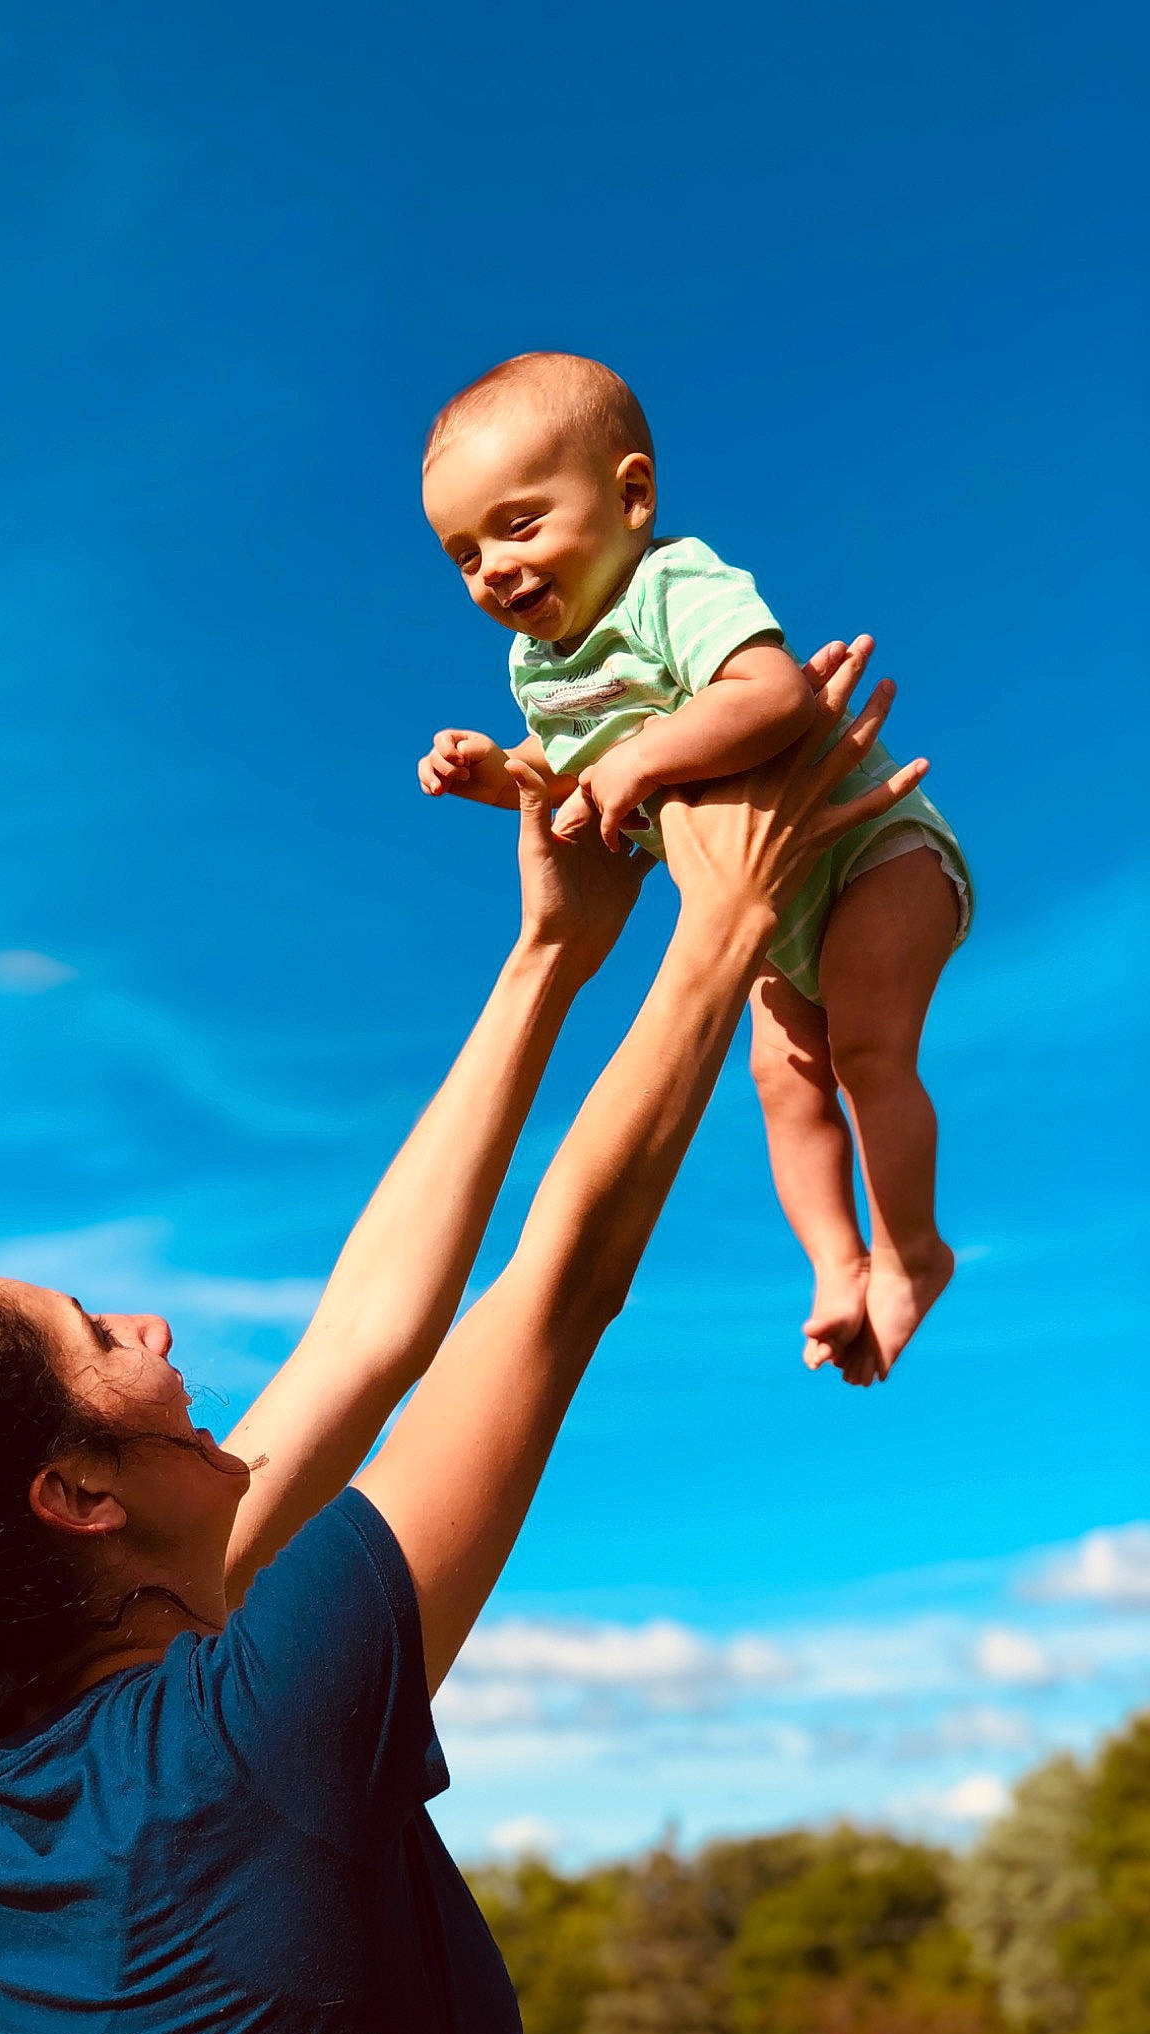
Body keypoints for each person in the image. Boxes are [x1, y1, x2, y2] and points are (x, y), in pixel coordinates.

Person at [0, 646, 921, 2034]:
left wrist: (552, 956)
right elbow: (557, 1286)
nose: (150, 1324)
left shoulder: (24, 1757)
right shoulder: (247, 1745)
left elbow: (367, 1335)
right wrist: (727, 915)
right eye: (97, 1336)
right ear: (76, 1495)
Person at [417, 353, 973, 1387]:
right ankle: (836, 1260)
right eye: (463, 554)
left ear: (632, 496)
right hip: (763, 907)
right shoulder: (539, 668)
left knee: (864, 1047)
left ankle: (912, 1251)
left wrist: (643, 759)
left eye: (519, 525)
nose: (492, 567)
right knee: (781, 1081)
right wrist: (499, 772)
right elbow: (568, 769)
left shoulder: (672, 584)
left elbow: (771, 693)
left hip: (870, 853)